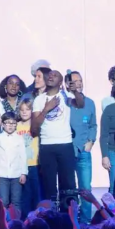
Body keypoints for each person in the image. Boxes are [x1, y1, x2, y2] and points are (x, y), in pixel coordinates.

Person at [31, 68, 85, 204]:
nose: (51, 77)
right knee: (48, 184)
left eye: (55, 75)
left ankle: (67, 213)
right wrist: (46, 109)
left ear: (60, 82)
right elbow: (34, 126)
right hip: (46, 146)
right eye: (49, 75)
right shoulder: (39, 99)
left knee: (68, 184)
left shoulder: (66, 96)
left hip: (65, 144)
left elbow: (80, 104)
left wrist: (75, 91)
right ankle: (50, 213)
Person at [66, 71, 96, 223]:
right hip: (67, 150)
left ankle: (85, 222)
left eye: (80, 81)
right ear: (67, 84)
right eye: (74, 81)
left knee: (85, 187)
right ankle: (70, 220)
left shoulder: (89, 103)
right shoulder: (65, 102)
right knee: (69, 188)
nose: (78, 84)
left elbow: (93, 125)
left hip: (83, 151)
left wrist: (91, 141)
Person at [0, 112, 26, 214]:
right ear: (3, 124)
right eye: (7, 123)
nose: (10, 125)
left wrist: (24, 173)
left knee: (16, 201)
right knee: (3, 201)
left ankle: (17, 220)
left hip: (17, 174)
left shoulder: (19, 138)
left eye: (13, 123)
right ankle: (4, 221)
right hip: (3, 175)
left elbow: (23, 156)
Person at [17, 97, 40, 215]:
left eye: (27, 109)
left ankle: (37, 217)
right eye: (22, 110)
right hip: (21, 166)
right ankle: (25, 219)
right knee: (24, 196)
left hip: (34, 164)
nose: (24, 112)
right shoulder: (16, 126)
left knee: (36, 194)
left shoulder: (35, 125)